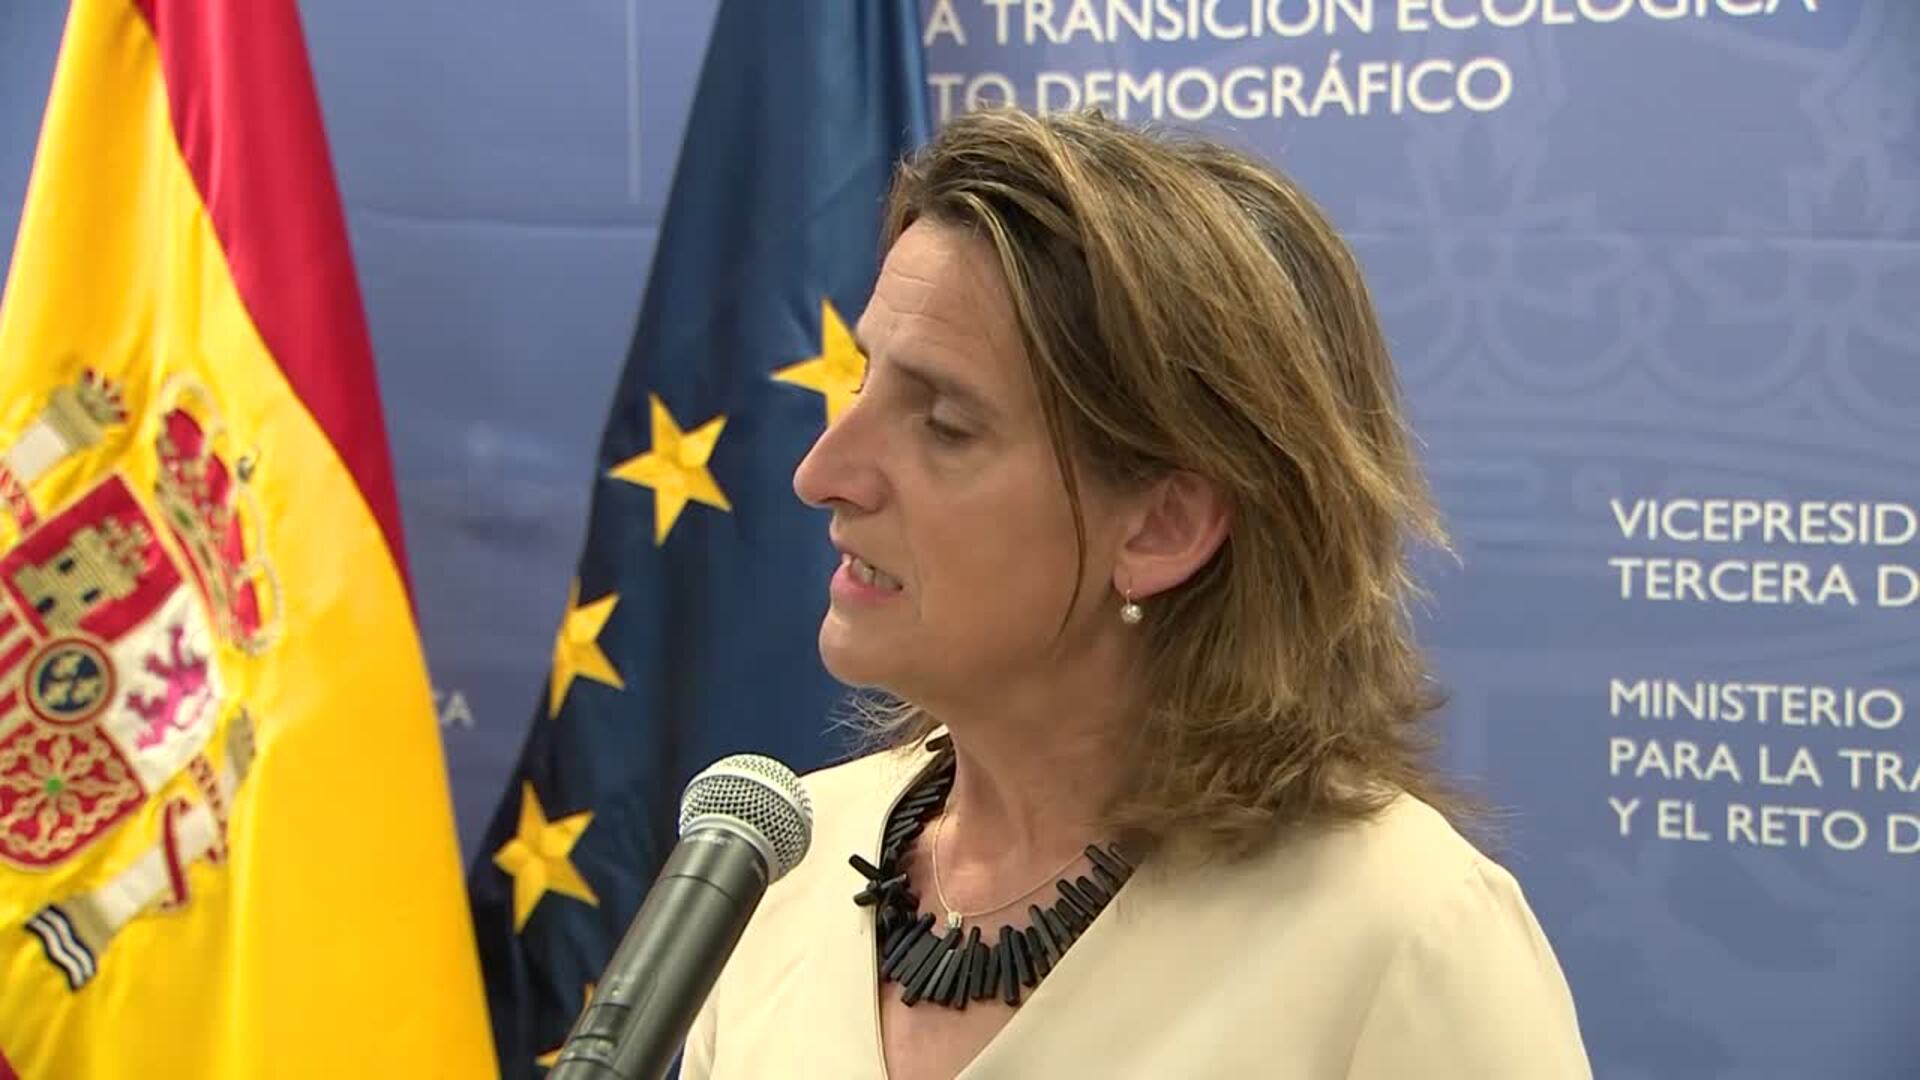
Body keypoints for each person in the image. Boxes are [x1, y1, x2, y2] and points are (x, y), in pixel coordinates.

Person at [680, 107, 1590, 1079]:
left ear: (1164, 527)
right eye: (864, 382)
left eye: (943, 423)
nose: (822, 474)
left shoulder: (1404, 940)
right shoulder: (775, 867)